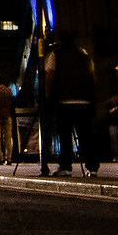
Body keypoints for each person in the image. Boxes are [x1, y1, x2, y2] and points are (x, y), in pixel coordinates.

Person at [40, 37, 96, 177]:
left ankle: (65, 166)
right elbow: (93, 76)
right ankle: (92, 167)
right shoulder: (84, 54)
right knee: (86, 135)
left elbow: (50, 75)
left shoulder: (56, 55)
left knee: (65, 135)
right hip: (84, 100)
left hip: (64, 100)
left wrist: (47, 95)